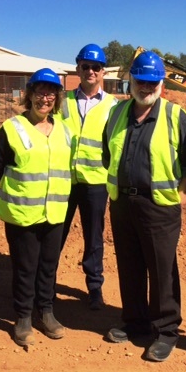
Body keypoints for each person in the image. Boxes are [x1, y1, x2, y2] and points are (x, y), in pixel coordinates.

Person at [102, 50, 186, 362]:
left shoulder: (175, 116)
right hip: (123, 204)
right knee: (130, 266)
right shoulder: (118, 114)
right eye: (141, 81)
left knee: (162, 272)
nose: (146, 87)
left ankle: (166, 331)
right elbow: (108, 154)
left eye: (152, 82)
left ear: (161, 83)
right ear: (131, 80)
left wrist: (181, 196)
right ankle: (135, 323)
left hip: (160, 208)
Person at [0, 68, 72, 347]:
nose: (44, 97)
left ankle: (46, 312)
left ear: (57, 98)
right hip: (22, 213)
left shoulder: (64, 130)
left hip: (55, 212)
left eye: (50, 92)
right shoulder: (13, 128)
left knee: (48, 266)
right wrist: (21, 189)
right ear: (30, 95)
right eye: (39, 91)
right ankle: (23, 317)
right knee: (26, 267)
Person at [59, 44, 117, 310]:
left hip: (95, 181)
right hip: (64, 180)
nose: (90, 71)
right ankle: (44, 283)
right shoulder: (63, 101)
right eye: (86, 66)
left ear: (103, 71)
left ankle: (95, 287)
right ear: (77, 68)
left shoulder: (112, 106)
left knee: (94, 237)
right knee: (54, 233)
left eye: (96, 67)